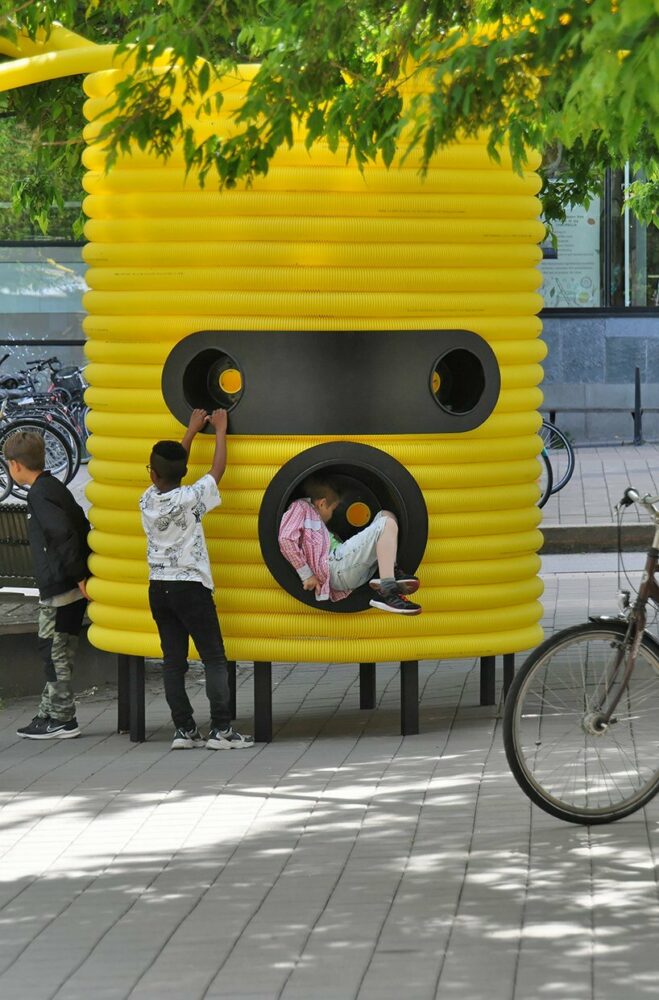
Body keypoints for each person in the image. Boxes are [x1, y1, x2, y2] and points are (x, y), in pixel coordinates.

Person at [140, 407, 254, 750]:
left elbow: (171, 469)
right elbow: (216, 471)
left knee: (173, 661)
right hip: (190, 587)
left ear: (152, 474)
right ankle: (221, 730)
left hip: (158, 588)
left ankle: (184, 730)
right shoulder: (191, 499)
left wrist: (189, 432)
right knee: (214, 658)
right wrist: (220, 430)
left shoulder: (146, 500)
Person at [3, 430, 90, 739]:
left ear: (15, 465)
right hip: (68, 580)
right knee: (56, 647)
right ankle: (49, 711)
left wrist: (79, 575)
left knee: (54, 649)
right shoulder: (52, 487)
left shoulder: (40, 494)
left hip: (61, 583)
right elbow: (79, 522)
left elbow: (62, 534)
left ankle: (64, 718)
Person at [278, 475, 422, 614]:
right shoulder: (301, 507)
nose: (332, 515)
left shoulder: (322, 528)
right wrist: (307, 575)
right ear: (321, 503)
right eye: (332, 510)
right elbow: (286, 539)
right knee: (386, 524)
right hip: (334, 568)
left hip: (347, 568)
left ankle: (389, 572)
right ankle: (388, 591)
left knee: (386, 515)